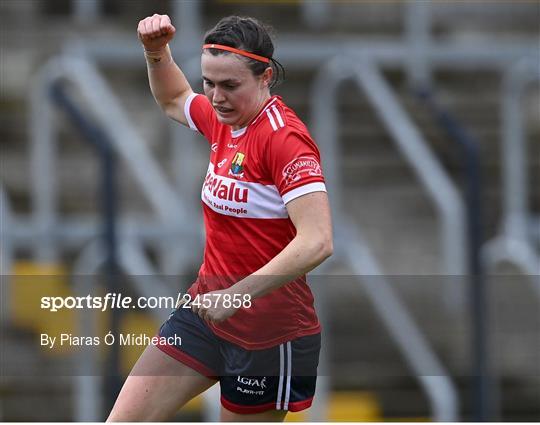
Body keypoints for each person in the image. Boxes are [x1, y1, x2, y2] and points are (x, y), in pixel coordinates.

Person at [107, 13, 333, 422]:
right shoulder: (223, 121)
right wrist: (156, 52)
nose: (216, 97)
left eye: (230, 85)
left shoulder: (285, 141)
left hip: (270, 335)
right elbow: (175, 98)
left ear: (265, 77)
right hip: (206, 313)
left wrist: (238, 294)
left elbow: (317, 240)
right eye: (209, 82)